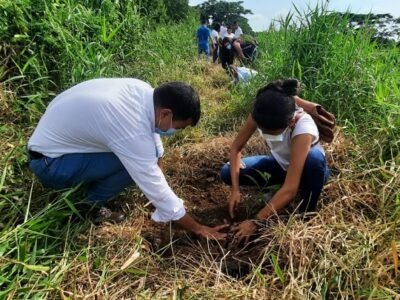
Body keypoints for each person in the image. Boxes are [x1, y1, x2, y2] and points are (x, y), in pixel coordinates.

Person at [27, 78, 227, 239]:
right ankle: (91, 205)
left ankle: (88, 194)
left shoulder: (142, 91)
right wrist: (198, 228)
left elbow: (153, 143)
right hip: (49, 164)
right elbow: (151, 177)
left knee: (138, 157)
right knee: (129, 164)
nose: (175, 131)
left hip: (53, 146)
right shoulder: (130, 129)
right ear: (166, 113)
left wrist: (159, 168)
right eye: (179, 127)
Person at [220, 79, 330, 243]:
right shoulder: (261, 114)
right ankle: (278, 193)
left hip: (306, 171)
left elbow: (290, 188)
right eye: (264, 131)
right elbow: (236, 148)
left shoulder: (303, 127)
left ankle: (307, 211)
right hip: (280, 165)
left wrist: (256, 221)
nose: (266, 134)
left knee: (313, 160)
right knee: (227, 172)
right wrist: (235, 190)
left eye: (272, 132)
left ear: (290, 121)